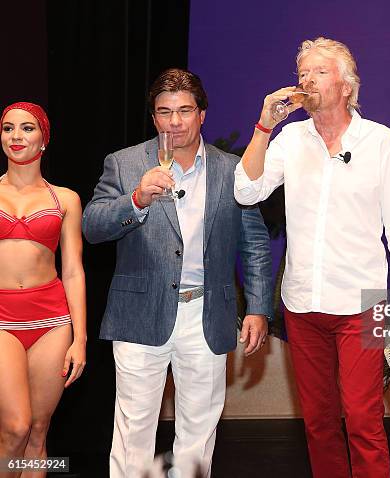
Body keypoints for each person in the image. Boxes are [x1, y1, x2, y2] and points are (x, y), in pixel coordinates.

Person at [234, 37, 390, 478]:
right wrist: (264, 127)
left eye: (318, 71)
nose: (306, 80)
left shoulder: (380, 141)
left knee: (362, 418)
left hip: (361, 304)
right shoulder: (290, 139)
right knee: (318, 423)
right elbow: (246, 190)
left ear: (346, 85)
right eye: (302, 73)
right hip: (302, 305)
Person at [82, 68, 273, 477]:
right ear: (153, 117)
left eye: (185, 110)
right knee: (134, 431)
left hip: (206, 313)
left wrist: (258, 307)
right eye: (164, 112)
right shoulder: (124, 162)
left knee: (199, 432)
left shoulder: (232, 169)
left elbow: (254, 242)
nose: (175, 121)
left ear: (202, 114)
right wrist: (135, 199)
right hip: (138, 314)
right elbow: (93, 227)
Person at [0, 102, 86, 475]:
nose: (16, 136)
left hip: (52, 322)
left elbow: (73, 271)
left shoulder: (65, 199)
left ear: (44, 138)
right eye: (7, 128)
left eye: (27, 128)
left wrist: (80, 338)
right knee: (15, 426)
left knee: (37, 431)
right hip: (2, 321)